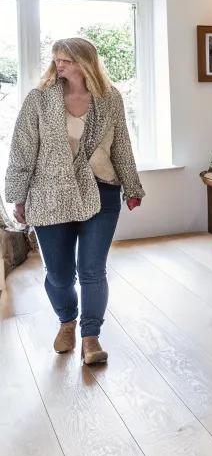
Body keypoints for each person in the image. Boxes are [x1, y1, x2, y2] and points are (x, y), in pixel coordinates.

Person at [4, 37, 145, 365]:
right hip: (50, 193)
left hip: (102, 191)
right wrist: (18, 196)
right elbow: (22, 149)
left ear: (85, 62)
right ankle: (66, 321)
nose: (58, 64)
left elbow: (121, 144)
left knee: (92, 269)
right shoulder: (39, 100)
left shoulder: (109, 99)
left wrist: (132, 186)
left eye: (65, 58)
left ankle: (90, 336)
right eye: (56, 58)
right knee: (60, 274)